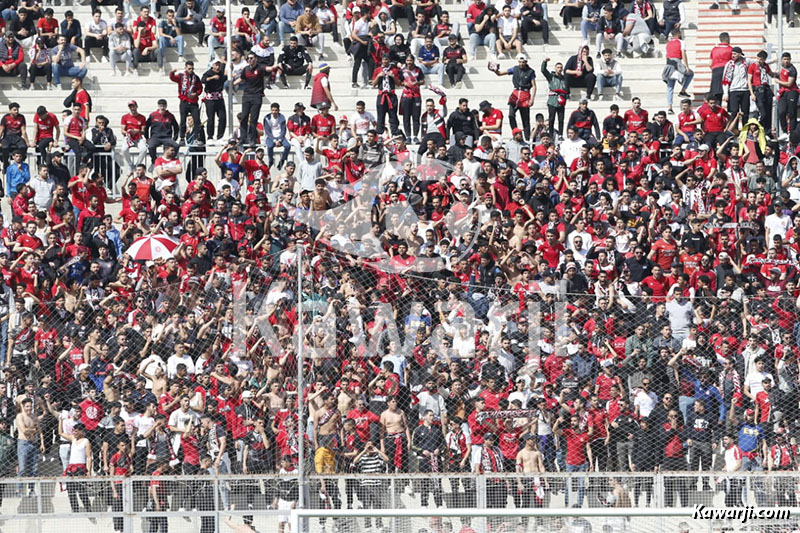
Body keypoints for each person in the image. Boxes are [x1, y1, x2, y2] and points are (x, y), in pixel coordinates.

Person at [493, 53, 536, 141]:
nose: (521, 64)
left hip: (525, 95)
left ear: (526, 62)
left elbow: (534, 85)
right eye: (519, 62)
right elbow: (500, 73)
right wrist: (495, 70)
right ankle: (515, 133)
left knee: (525, 119)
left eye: (522, 62)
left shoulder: (531, 71)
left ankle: (527, 138)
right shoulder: (515, 69)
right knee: (511, 115)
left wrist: (532, 99)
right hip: (515, 94)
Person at [168, 60, 202, 144]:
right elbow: (173, 78)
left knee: (197, 120)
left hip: (193, 102)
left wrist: (196, 94)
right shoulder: (181, 76)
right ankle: (182, 138)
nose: (191, 70)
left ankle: (196, 138)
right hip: (184, 101)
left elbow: (200, 88)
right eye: (189, 68)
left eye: (192, 68)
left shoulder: (196, 77)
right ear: (185, 68)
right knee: (183, 121)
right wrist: (172, 73)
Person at [662, 28, 693, 115]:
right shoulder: (681, 42)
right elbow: (683, 54)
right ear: (678, 33)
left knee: (670, 87)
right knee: (690, 73)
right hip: (677, 63)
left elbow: (667, 55)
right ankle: (683, 90)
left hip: (669, 64)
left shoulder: (668, 43)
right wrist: (687, 66)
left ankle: (670, 107)